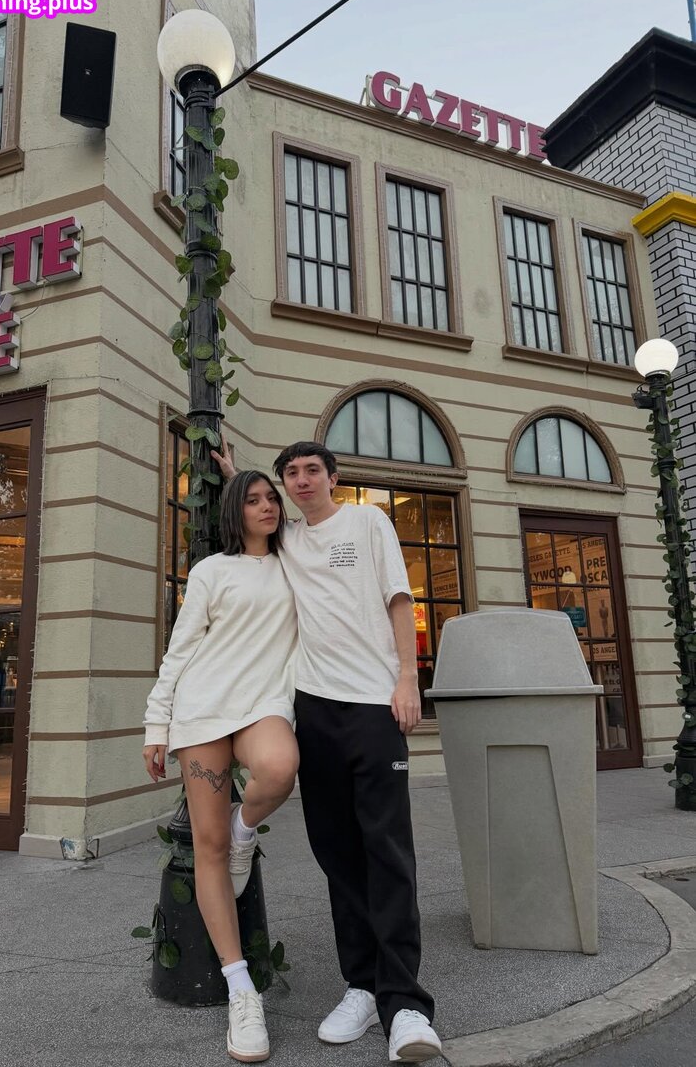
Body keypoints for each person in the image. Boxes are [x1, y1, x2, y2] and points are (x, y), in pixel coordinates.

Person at [213, 438, 441, 1064]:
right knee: (337, 853)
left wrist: (407, 678)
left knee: (386, 851)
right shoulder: (287, 538)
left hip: (374, 705)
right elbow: (253, 504)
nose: (302, 479)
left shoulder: (369, 522)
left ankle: (407, 1006)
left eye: (312, 469)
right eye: (291, 473)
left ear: (333, 477)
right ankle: (362, 986)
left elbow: (400, 599)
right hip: (313, 710)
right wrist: (234, 472)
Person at [143, 471, 299, 1064]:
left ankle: (245, 826)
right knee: (207, 847)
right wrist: (156, 725)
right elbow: (181, 649)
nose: (267, 507)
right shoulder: (212, 571)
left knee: (279, 769)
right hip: (204, 709)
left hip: (263, 705)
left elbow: (311, 519)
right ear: (236, 512)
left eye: (272, 499)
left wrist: (240, 472)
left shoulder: (295, 561)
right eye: (253, 501)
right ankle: (240, 989)